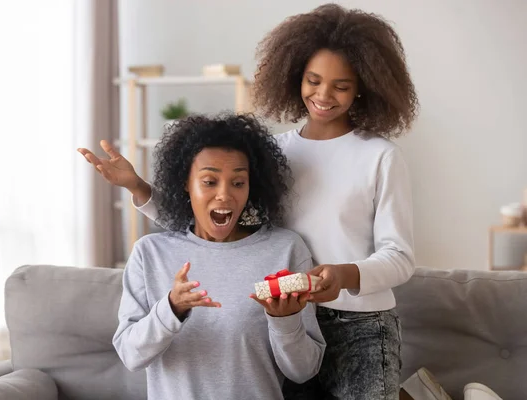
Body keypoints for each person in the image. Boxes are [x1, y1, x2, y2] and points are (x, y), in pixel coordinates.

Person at [81, 4, 418, 398]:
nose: (324, 95)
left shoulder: (379, 156)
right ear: (295, 77)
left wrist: (343, 275)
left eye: (341, 86)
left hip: (358, 324)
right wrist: (140, 188)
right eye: (313, 80)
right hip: (278, 319)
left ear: (364, 86)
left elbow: (400, 257)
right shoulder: (275, 153)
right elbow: (215, 216)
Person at [104, 113, 325, 400]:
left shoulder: (285, 249)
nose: (224, 195)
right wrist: (171, 308)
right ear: (186, 183)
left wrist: (285, 321)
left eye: (238, 182)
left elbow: (304, 371)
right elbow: (131, 356)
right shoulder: (150, 254)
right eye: (209, 181)